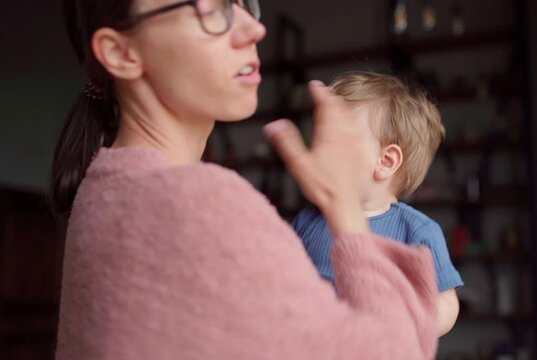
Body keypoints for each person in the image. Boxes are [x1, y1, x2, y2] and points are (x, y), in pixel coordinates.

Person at [52, 0, 440, 359]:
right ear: (122, 53)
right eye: (212, 8)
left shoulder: (102, 189)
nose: (254, 28)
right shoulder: (198, 203)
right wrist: (342, 204)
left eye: (242, 2)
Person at [292, 72, 463, 336]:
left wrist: (407, 323)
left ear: (385, 161)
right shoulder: (308, 220)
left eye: (335, 140)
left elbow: (447, 302)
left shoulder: (416, 231)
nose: (318, 150)